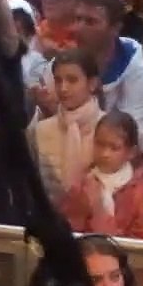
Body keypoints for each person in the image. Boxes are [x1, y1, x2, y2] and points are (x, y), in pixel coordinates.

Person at [70, 0, 143, 146]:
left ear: (115, 28)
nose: (77, 29)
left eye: (90, 22)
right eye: (77, 19)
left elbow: (131, 141)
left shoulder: (139, 72)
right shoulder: (64, 62)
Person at [31, 49, 106, 203]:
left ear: (92, 84)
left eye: (72, 80)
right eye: (58, 80)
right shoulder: (40, 130)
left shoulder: (110, 128)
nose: (63, 88)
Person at [61, 111, 143, 238]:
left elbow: (136, 243)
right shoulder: (82, 184)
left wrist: (98, 208)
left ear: (131, 152)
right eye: (99, 144)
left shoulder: (141, 193)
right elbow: (68, 231)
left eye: (114, 148)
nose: (104, 154)